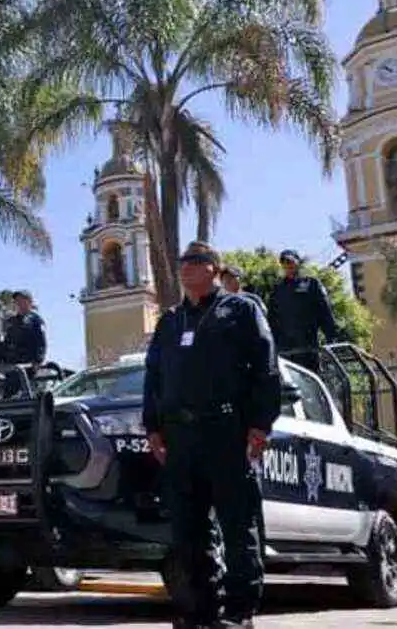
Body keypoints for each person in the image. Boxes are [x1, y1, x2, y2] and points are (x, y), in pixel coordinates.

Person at [143, 242, 280, 628]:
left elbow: (266, 366)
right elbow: (153, 377)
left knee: (238, 525)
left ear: (214, 269)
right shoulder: (170, 321)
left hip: (227, 431)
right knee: (189, 531)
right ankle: (201, 611)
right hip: (180, 438)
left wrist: (260, 423)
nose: (187, 268)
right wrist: (152, 426)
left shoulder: (240, 310)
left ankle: (240, 613)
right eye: (183, 262)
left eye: (197, 262)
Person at [268, 249, 340, 374]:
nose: (287, 265)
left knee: (313, 380)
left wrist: (331, 338)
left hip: (308, 347)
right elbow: (272, 319)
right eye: (284, 263)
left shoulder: (311, 284)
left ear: (297, 263)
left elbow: (325, 312)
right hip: (286, 350)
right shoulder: (277, 290)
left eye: (290, 261)